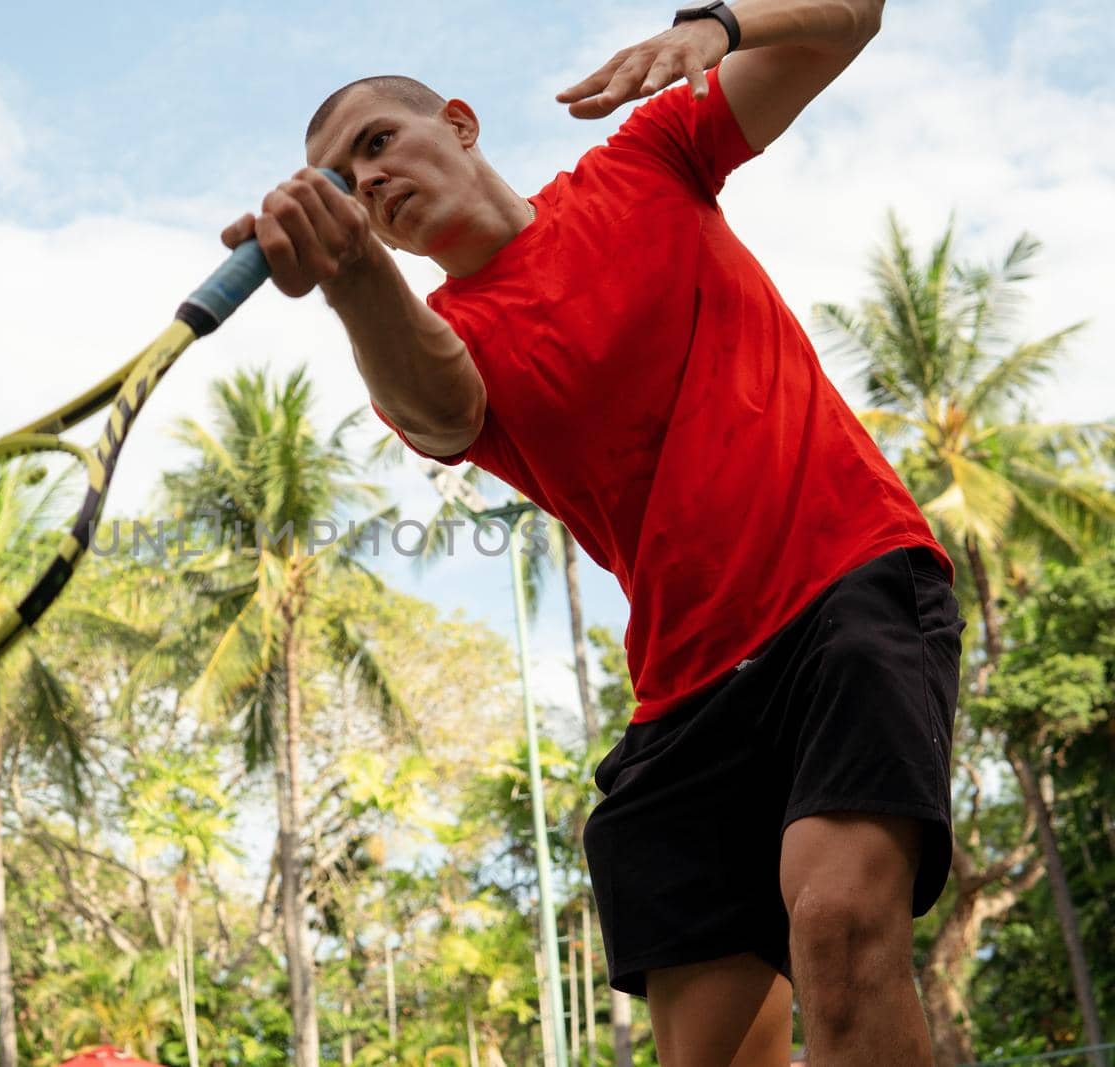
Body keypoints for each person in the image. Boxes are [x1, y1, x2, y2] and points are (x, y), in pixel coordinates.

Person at [221, 0, 967, 1064]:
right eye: (345, 182)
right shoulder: (431, 340)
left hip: (845, 588)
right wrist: (352, 277)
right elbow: (440, 408)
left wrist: (719, 24)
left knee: (839, 927)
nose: (369, 179)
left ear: (462, 125)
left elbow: (853, 14)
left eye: (376, 143)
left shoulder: (645, 162)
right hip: (686, 695)